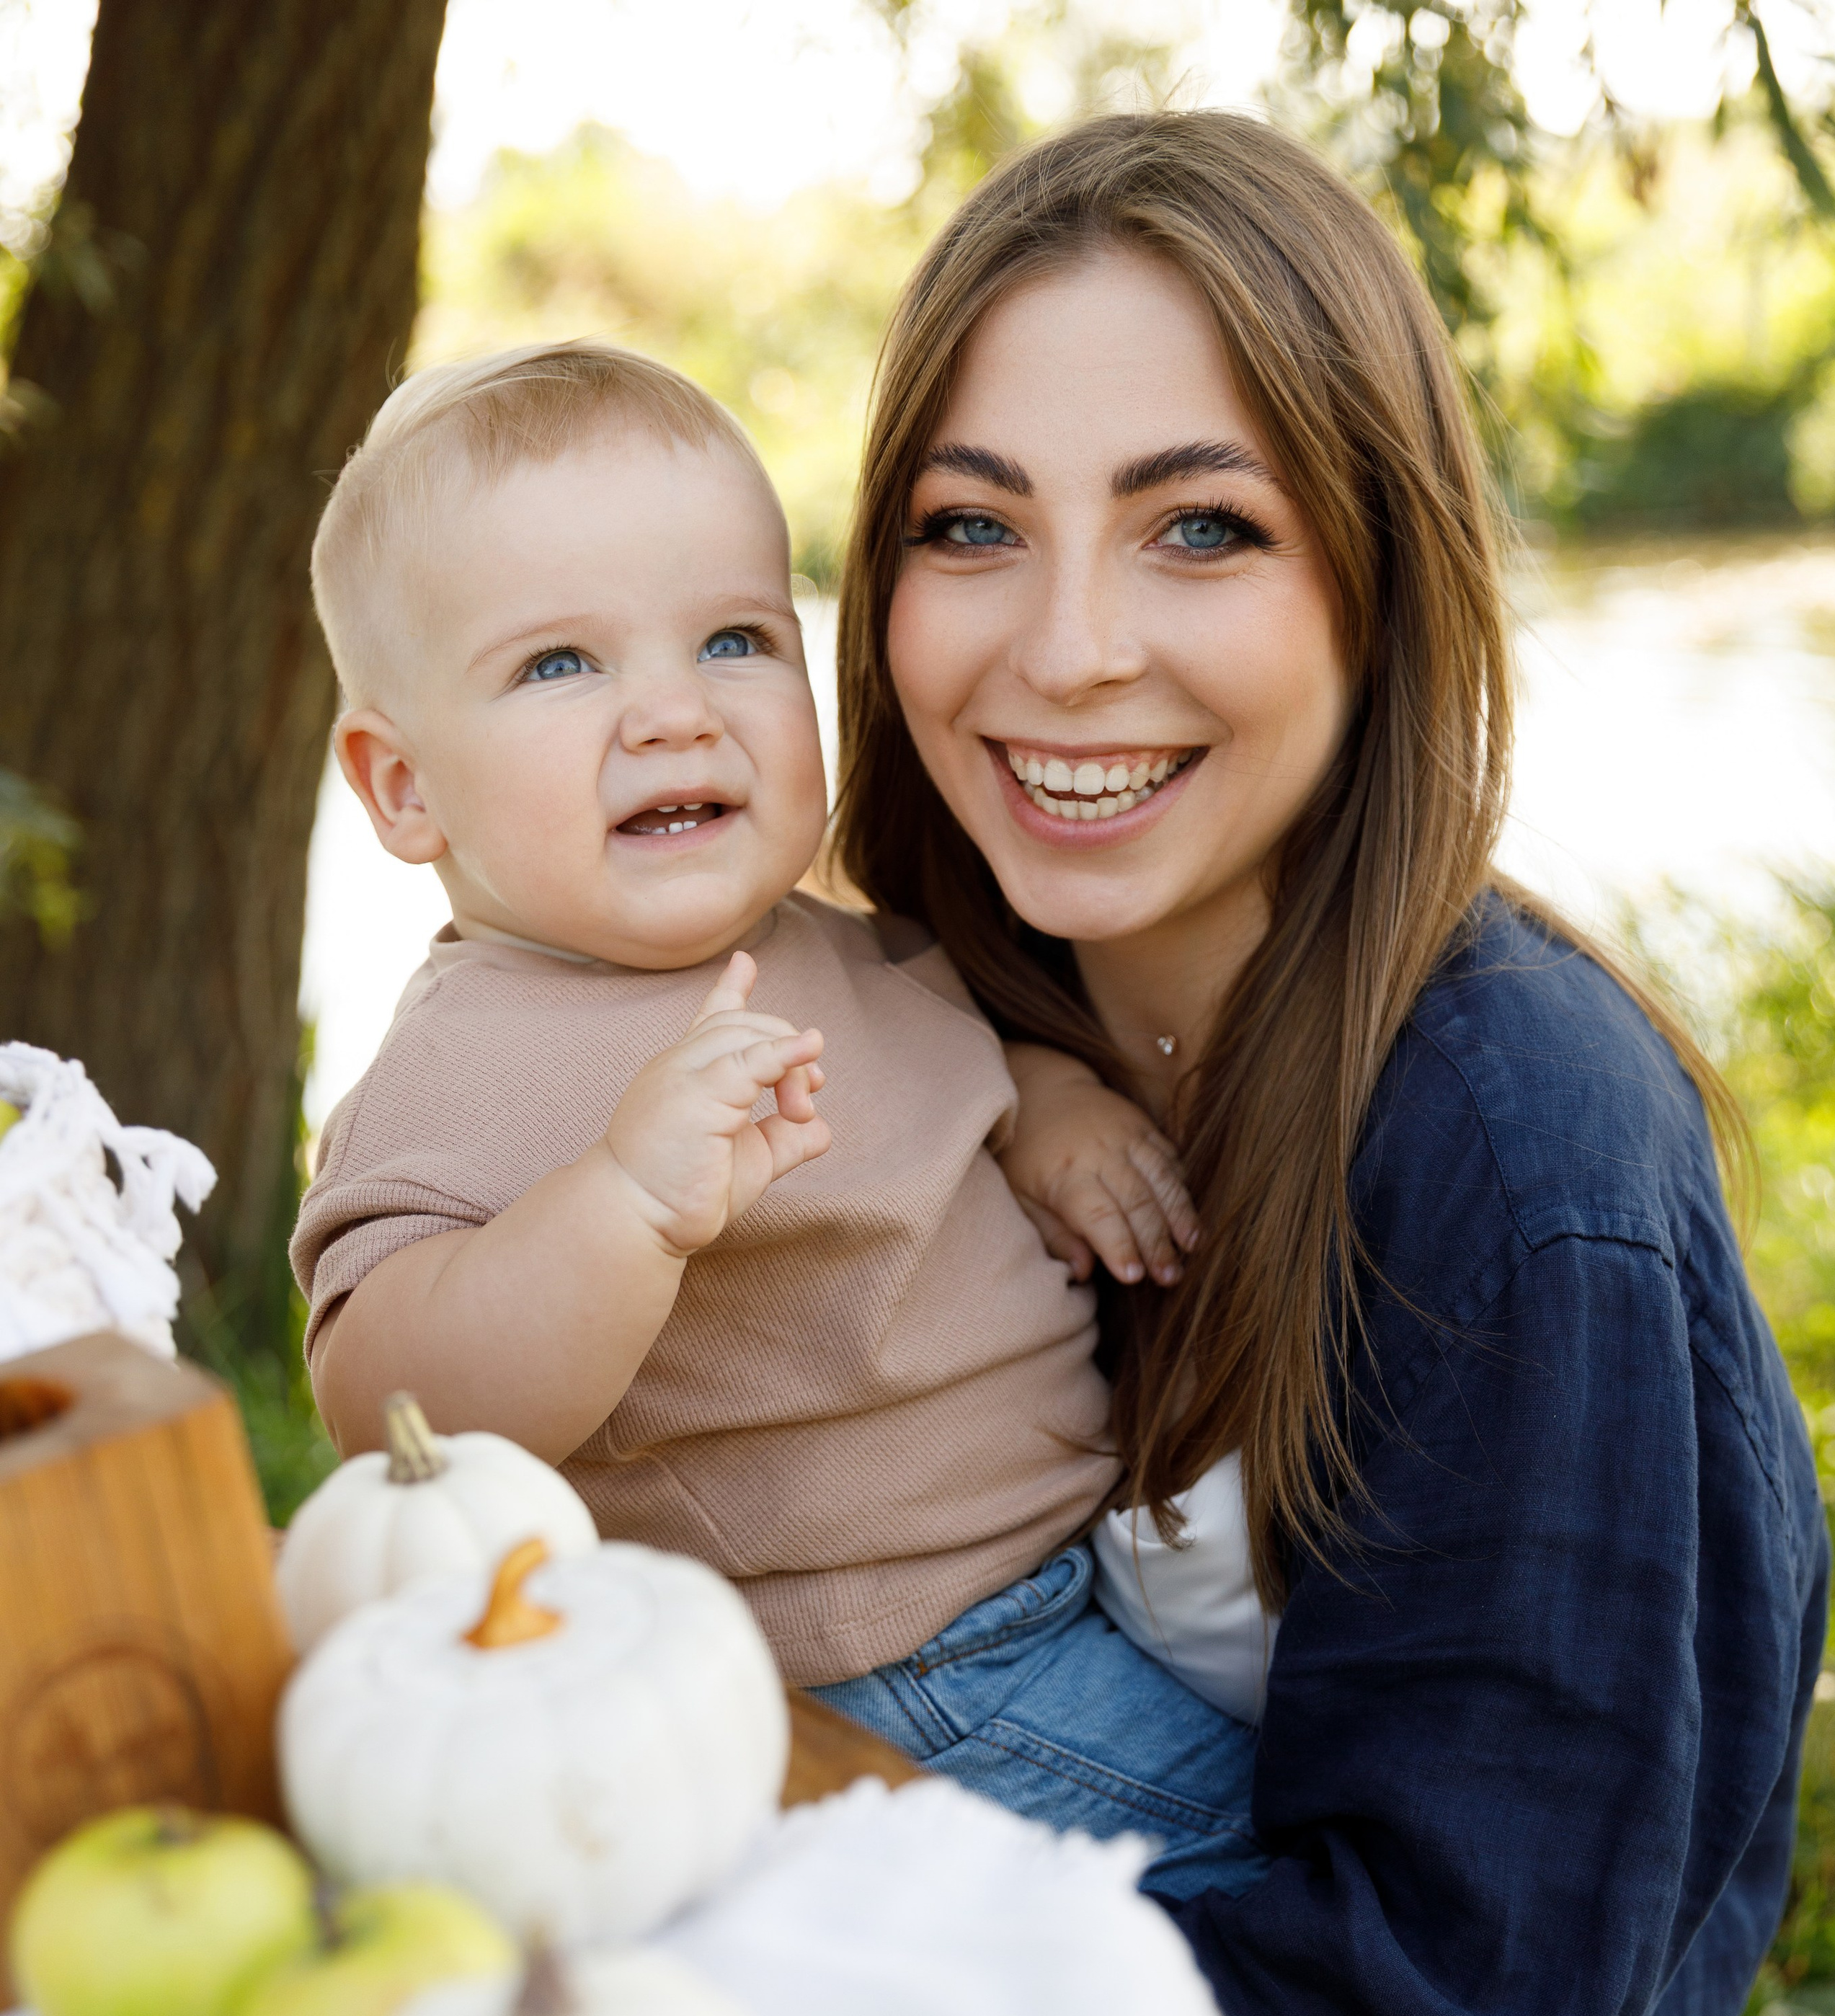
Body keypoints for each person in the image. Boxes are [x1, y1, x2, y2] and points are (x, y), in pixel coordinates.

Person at [822, 109, 1830, 2016]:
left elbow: (1461, 2012)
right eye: (974, 527)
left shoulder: (1516, 1159)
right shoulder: (938, 1030)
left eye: (1202, 527)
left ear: (1377, 582)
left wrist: (832, 1979)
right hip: (1079, 1981)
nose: (1064, 643)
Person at [290, 340, 1263, 1880]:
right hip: (876, 1676)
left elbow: (950, 1066)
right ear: (403, 787)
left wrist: (1049, 1105)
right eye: (561, 665)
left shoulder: (837, 944)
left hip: (1050, 1582)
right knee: (1265, 1889)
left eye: (734, 640)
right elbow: (390, 1404)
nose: (673, 714)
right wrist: (620, 1207)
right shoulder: (465, 1066)